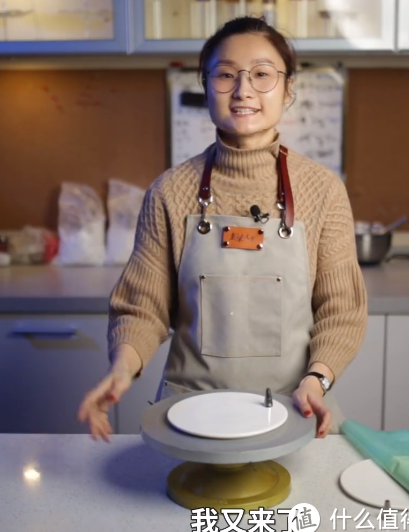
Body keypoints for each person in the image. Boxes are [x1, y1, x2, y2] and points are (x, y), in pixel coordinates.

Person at [78, 16, 368, 443]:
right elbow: (142, 307)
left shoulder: (322, 191)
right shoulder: (170, 192)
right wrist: (122, 368)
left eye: (262, 74)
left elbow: (341, 312)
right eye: (226, 74)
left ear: (288, 89)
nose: (243, 89)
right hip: (188, 414)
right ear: (206, 84)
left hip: (294, 408)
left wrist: (317, 381)